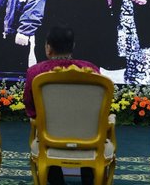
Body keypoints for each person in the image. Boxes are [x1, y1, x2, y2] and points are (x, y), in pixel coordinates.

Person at [23, 24, 99, 185]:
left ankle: (56, 180)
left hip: (50, 138)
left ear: (48, 48)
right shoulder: (90, 70)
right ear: (73, 46)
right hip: (88, 138)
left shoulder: (35, 72)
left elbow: (30, 108)